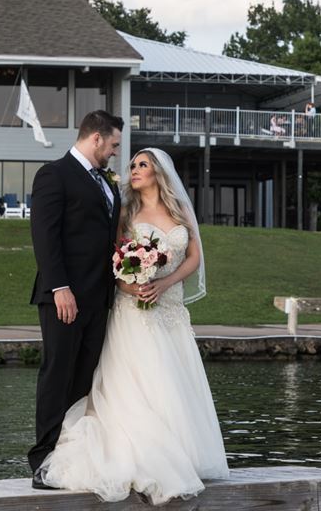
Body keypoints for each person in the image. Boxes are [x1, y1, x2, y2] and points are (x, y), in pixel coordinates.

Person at [35, 147, 229, 503]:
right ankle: (144, 455)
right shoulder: (127, 212)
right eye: (133, 165)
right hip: (134, 309)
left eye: (143, 165)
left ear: (158, 173)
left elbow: (195, 256)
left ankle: (183, 454)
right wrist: (131, 284)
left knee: (174, 382)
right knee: (141, 381)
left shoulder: (179, 210)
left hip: (169, 307)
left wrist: (166, 284)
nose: (134, 169)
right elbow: (113, 258)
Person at [28, 110, 123, 489]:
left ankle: (73, 457)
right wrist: (59, 287)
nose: (116, 151)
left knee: (84, 380)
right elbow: (45, 236)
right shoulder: (54, 174)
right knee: (57, 374)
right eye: (114, 144)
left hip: (99, 299)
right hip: (64, 298)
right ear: (96, 138)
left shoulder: (106, 182)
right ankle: (43, 461)